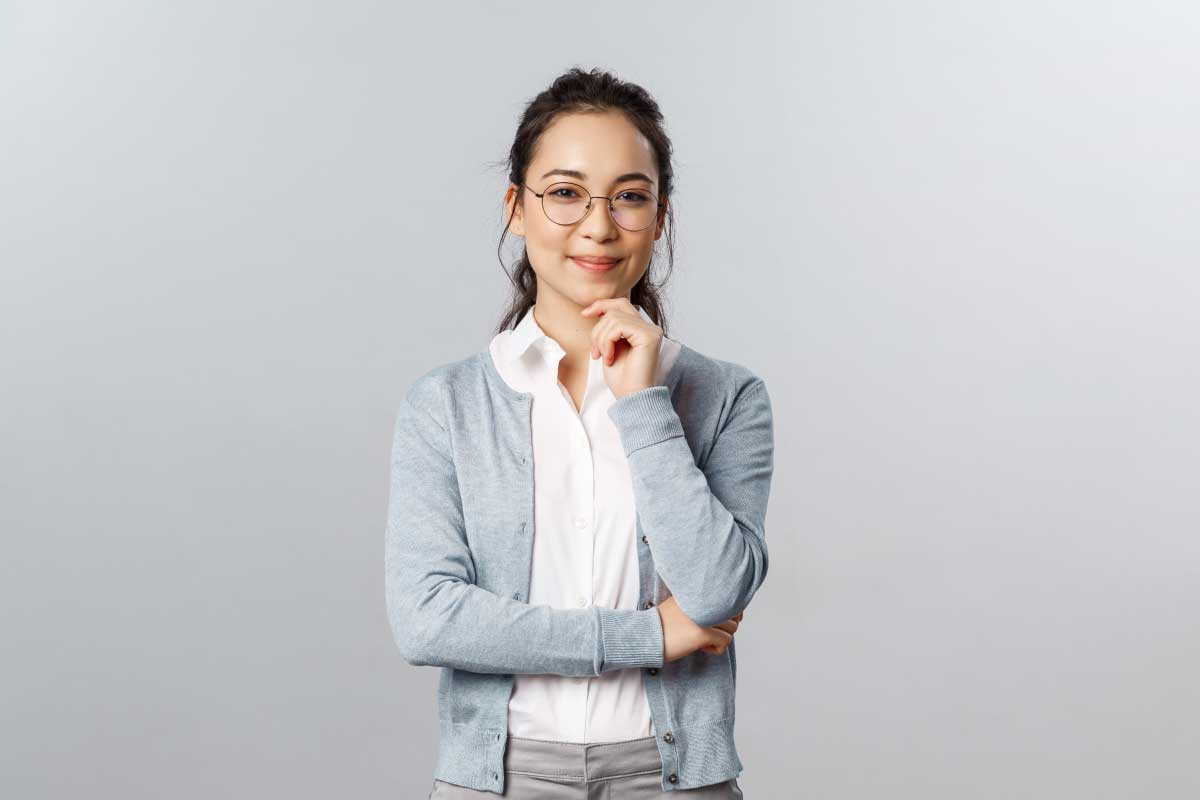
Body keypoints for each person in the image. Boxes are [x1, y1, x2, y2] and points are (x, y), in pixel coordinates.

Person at [385, 67, 774, 798]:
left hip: (672, 780)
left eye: (629, 197)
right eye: (565, 193)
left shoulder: (726, 397)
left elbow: (717, 592)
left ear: (659, 217)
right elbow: (427, 619)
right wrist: (648, 637)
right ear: (517, 208)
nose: (599, 226)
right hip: (496, 781)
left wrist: (644, 407)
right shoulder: (447, 404)